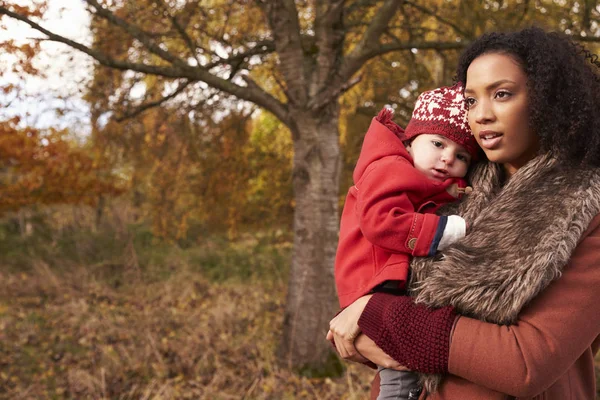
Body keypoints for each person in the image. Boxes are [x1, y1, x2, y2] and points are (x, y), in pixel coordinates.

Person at [327, 27, 600, 399]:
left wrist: (377, 315)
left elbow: (525, 363)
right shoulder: (449, 185)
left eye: (502, 94)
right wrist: (364, 326)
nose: (482, 115)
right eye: (470, 101)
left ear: (548, 100)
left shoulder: (588, 206)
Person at [334, 84, 478, 400]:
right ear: (411, 142)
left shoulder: (417, 173)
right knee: (400, 375)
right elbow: (380, 220)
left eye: (461, 156)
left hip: (386, 279)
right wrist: (445, 231)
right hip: (372, 281)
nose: (446, 159)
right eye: (438, 144)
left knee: (402, 365)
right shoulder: (388, 167)